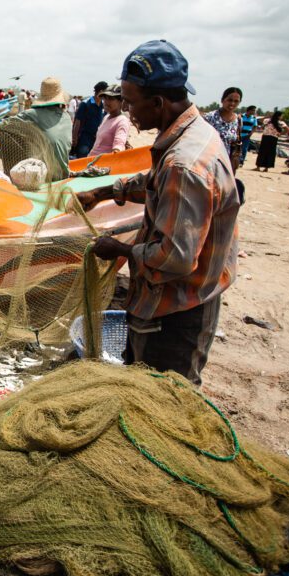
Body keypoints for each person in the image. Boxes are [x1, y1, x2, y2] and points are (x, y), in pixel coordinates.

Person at [76, 40, 239, 386]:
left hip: (177, 315)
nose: (128, 111)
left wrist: (118, 250)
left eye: (132, 103)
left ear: (158, 103)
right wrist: (105, 192)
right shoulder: (191, 137)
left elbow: (175, 258)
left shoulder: (186, 164)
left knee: (163, 404)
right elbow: (156, 180)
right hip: (165, 303)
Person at [0, 76, 73, 179]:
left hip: (47, 176)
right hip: (64, 174)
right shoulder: (67, 117)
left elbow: (3, 126)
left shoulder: (32, 114)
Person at [203, 87, 244, 170]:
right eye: (230, 100)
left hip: (226, 165)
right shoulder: (209, 117)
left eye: (236, 101)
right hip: (207, 162)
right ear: (222, 100)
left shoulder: (238, 121)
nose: (232, 103)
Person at [88, 84, 132, 156]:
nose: (106, 102)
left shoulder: (122, 121)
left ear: (121, 102)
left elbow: (119, 144)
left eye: (111, 99)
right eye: (105, 98)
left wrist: (117, 150)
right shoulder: (107, 117)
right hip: (92, 161)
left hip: (102, 165)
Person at [72, 81, 109, 158]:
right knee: (83, 158)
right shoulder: (86, 104)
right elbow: (77, 121)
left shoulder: (103, 105)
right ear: (101, 92)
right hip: (84, 138)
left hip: (97, 139)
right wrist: (74, 138)